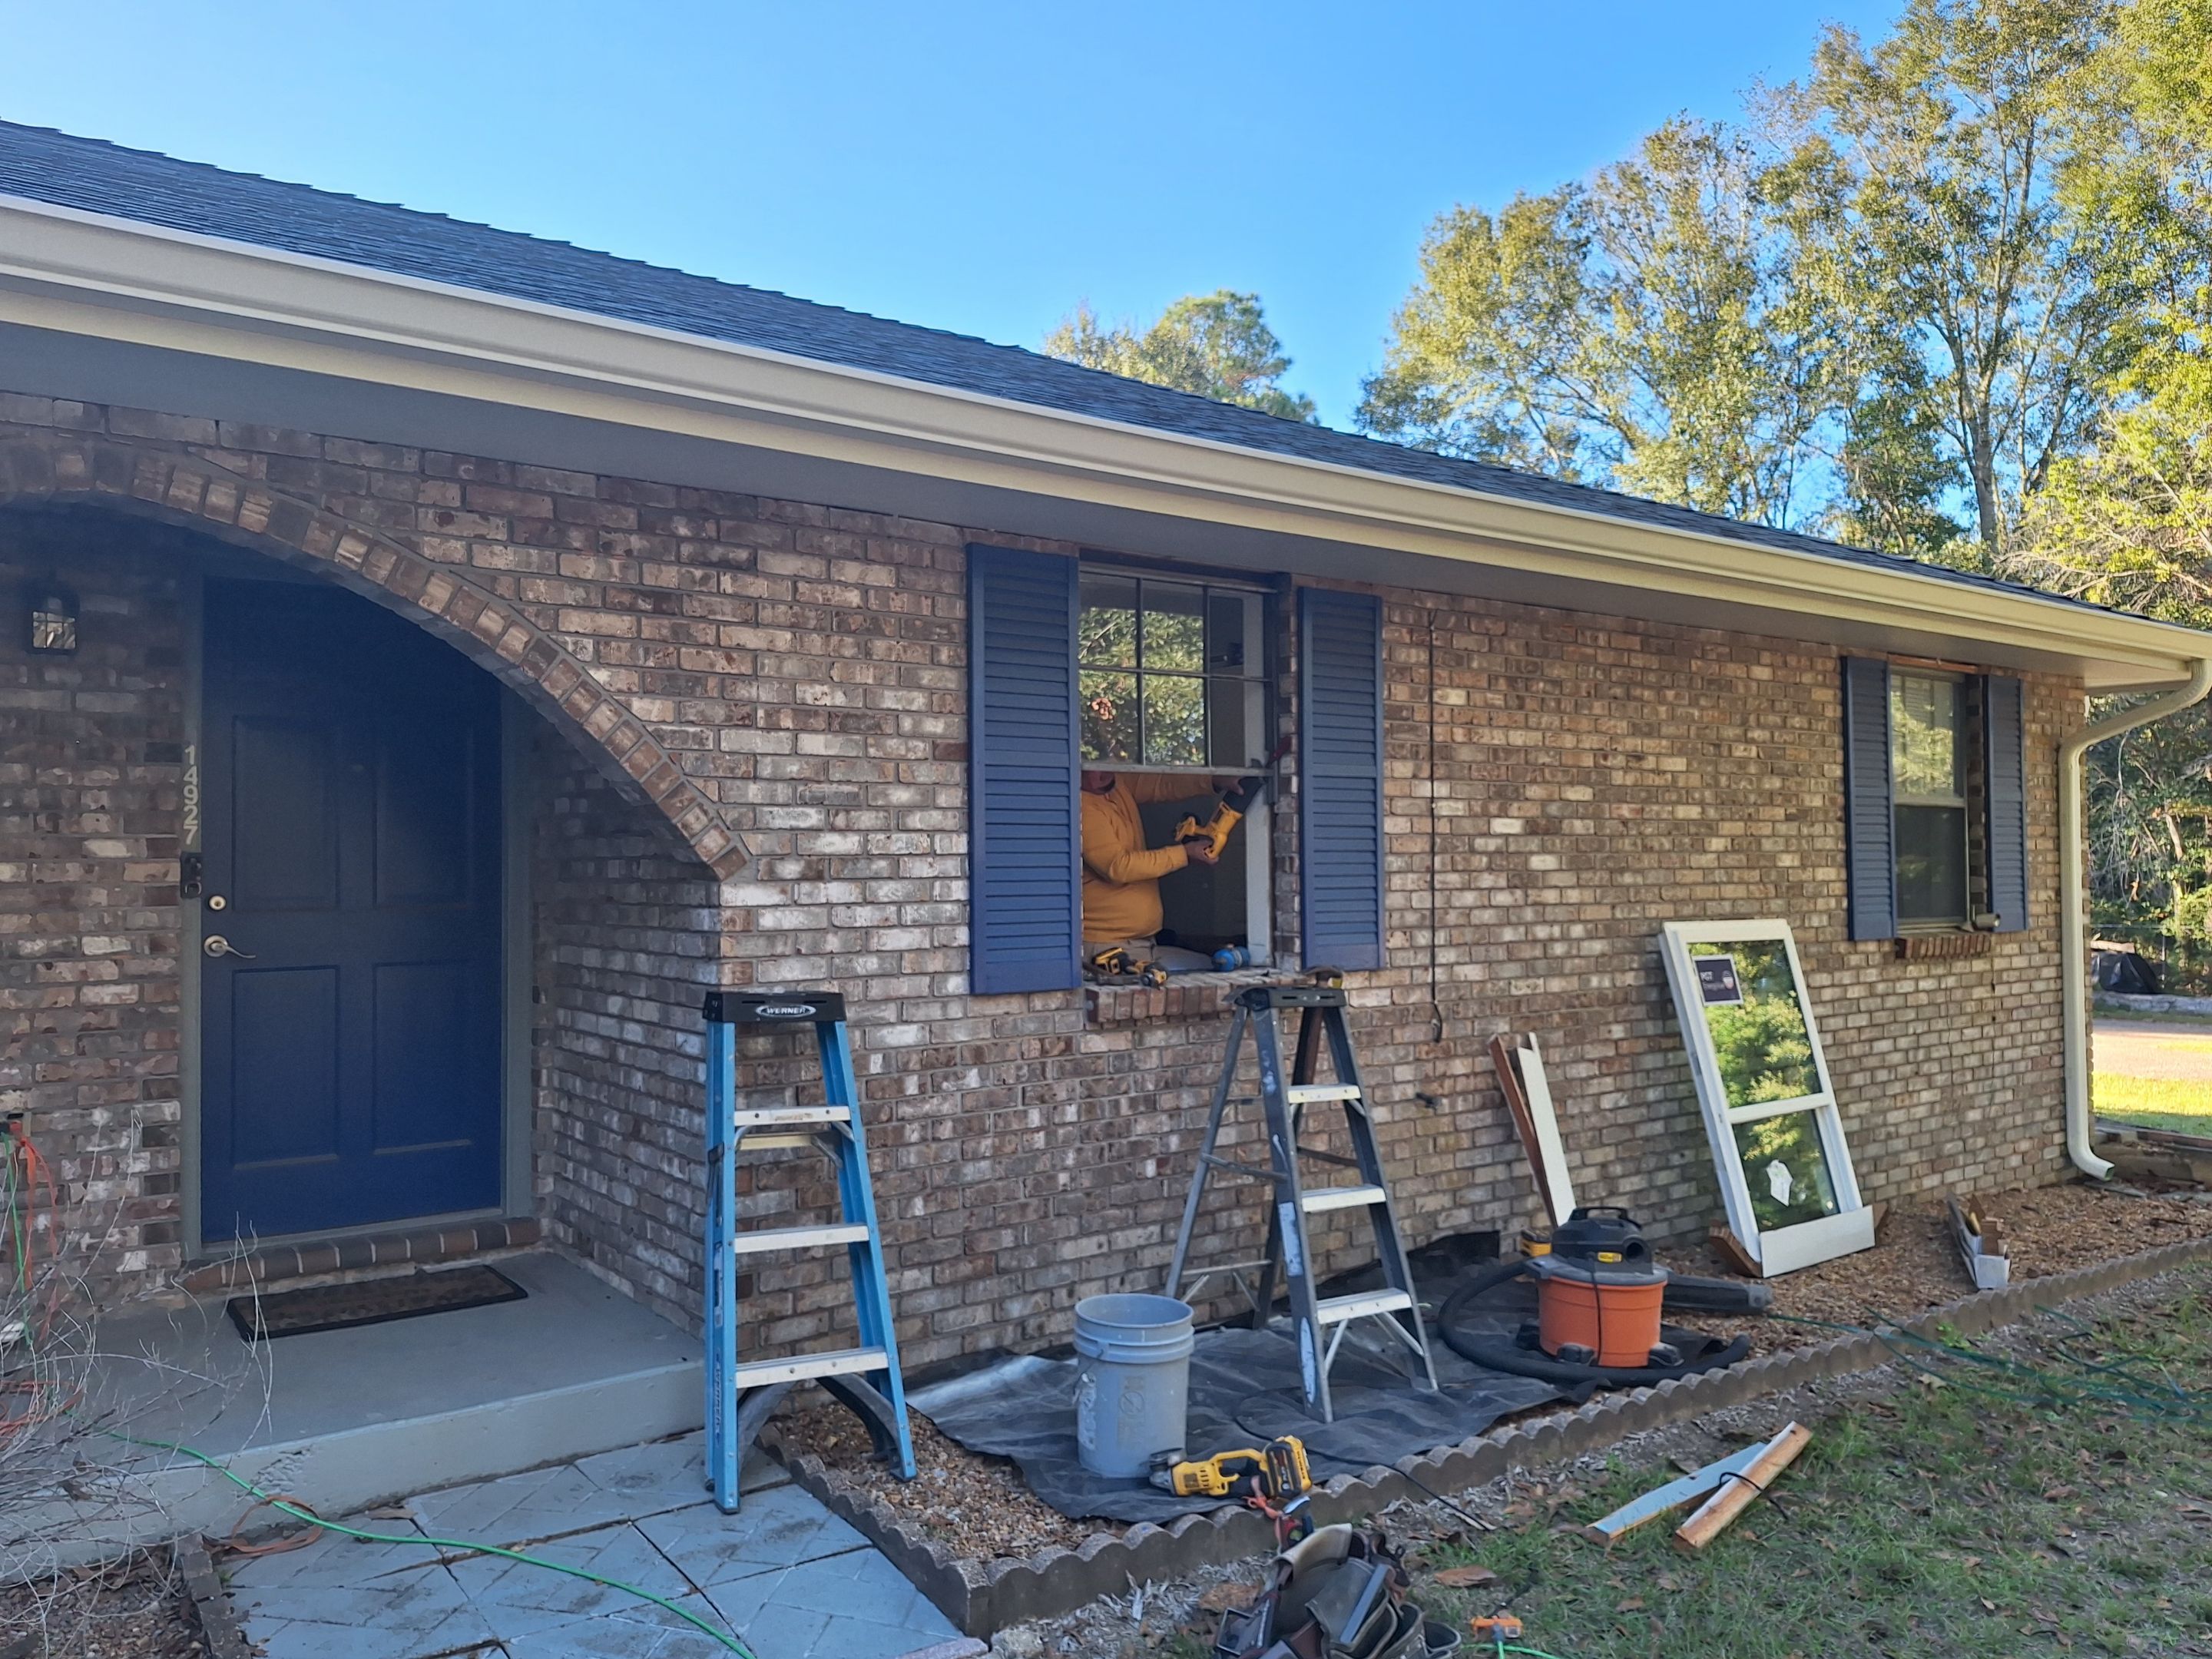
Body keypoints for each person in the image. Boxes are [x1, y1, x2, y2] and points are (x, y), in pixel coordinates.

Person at [1079, 770, 1233, 973]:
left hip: (1143, 944)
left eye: (1102, 763)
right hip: (1108, 948)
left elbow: (1163, 783)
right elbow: (1118, 867)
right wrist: (1184, 854)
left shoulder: (1118, 784)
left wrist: (1214, 780)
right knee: (1207, 971)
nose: (1101, 773)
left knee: (1208, 965)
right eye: (1089, 769)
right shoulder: (1081, 806)